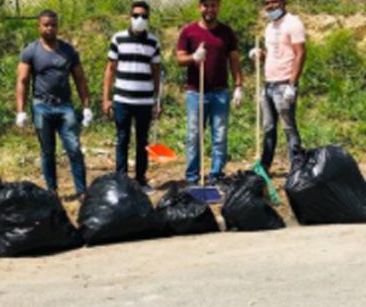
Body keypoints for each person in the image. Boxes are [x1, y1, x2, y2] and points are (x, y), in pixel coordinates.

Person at [16, 10, 94, 199]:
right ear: (39, 26)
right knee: (47, 151)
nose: (50, 28)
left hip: (65, 106)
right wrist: (21, 111)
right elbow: (23, 80)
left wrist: (86, 106)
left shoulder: (68, 51)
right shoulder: (31, 51)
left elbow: (80, 79)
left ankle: (82, 191)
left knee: (74, 149)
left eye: (53, 25)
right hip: (41, 106)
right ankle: (52, 191)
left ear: (57, 26)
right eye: (46, 25)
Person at [174, 0, 243, 185]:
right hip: (196, 93)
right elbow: (179, 59)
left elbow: (234, 60)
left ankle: (215, 175)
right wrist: (193, 57)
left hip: (220, 92)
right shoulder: (189, 31)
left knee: (220, 135)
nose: (209, 9)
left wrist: (238, 86)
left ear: (218, 7)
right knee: (194, 136)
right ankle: (192, 177)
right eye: (206, 5)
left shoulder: (226, 32)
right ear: (199, 7)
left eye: (213, 5)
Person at [103, 1, 164, 192]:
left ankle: (140, 179)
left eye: (144, 16)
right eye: (136, 15)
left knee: (142, 141)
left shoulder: (153, 41)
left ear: (148, 19)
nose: (140, 19)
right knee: (122, 139)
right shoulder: (118, 39)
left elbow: (156, 72)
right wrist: (106, 98)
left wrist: (157, 101)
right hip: (122, 100)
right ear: (129, 17)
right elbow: (110, 70)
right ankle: (121, 180)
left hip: (144, 101)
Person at [252, 0, 306, 173]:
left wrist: (292, 84)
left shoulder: (293, 23)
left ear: (283, 2)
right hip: (268, 83)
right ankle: (265, 165)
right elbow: (274, 55)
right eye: (266, 3)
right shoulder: (270, 27)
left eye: (274, 1)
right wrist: (260, 55)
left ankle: (296, 167)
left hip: (284, 85)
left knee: (289, 127)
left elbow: (300, 53)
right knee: (268, 127)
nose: (270, 6)